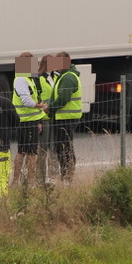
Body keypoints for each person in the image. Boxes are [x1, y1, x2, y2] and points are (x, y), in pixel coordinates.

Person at [11, 52, 48, 188]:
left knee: (29, 152)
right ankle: (21, 182)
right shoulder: (21, 79)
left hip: (32, 120)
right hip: (25, 121)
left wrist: (38, 120)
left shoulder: (29, 78)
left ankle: (25, 182)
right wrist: (41, 106)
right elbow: (27, 101)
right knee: (27, 153)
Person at [45, 52, 82, 181]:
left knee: (64, 148)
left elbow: (63, 99)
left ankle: (67, 176)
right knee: (64, 147)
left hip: (65, 118)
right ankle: (67, 175)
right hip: (64, 117)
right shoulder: (65, 76)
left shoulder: (67, 78)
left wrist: (50, 108)